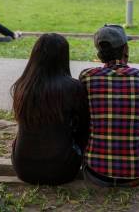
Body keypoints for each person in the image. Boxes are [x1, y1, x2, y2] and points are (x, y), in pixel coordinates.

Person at [80, 25, 139, 187]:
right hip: (136, 176)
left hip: (96, 174)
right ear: (125, 49)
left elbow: (83, 122)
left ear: (100, 54)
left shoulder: (87, 77)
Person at [11, 33, 89, 185]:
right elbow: (83, 130)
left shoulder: (22, 85)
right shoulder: (73, 87)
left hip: (23, 168)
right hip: (62, 170)